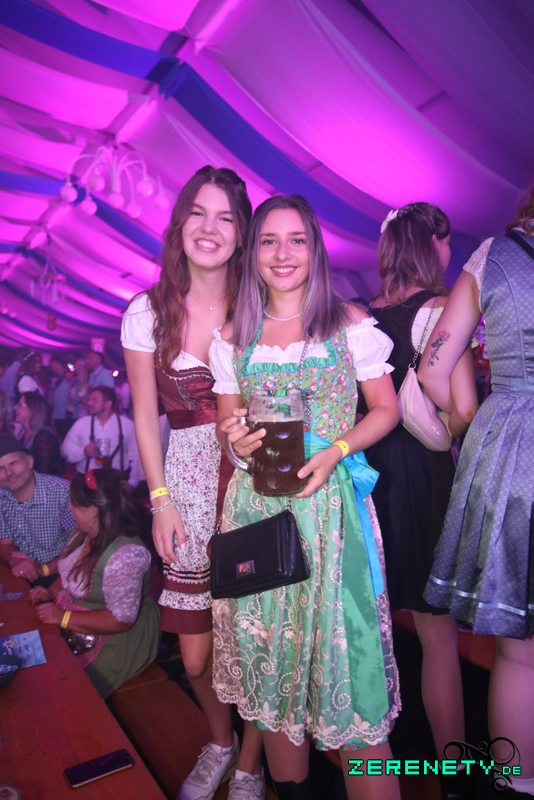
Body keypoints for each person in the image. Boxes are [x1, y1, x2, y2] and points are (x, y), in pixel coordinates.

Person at [211, 194, 401, 800]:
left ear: (314, 248)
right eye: (269, 240)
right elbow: (228, 433)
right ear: (253, 252)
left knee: (352, 676)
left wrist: (338, 450)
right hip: (259, 515)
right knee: (276, 681)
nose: (283, 253)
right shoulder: (233, 338)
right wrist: (238, 441)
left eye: (296, 239)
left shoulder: (349, 325)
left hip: (330, 516)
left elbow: (387, 409)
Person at [122, 165, 265, 800]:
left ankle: (251, 765)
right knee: (198, 655)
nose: (209, 228)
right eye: (198, 213)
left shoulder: (263, 301)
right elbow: (144, 416)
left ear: (242, 233)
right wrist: (160, 501)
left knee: (259, 638)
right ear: (180, 223)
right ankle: (219, 740)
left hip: (257, 482)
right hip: (184, 484)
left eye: (225, 217)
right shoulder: (147, 310)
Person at [419, 187, 534, 798]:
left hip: (514, 450)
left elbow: (433, 369)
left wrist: (474, 426)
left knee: (519, 652)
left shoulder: (492, 254)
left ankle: (518, 785)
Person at [360, 203, 478, 796]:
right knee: (438, 641)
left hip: (369, 475)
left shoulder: (362, 317)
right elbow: (466, 409)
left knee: (372, 627)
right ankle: (452, 775)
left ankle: (382, 759)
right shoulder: (440, 310)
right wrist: (444, 430)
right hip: (423, 478)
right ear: (433, 244)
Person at [31, 468, 160, 698]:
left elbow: (121, 621)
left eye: (75, 505)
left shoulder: (126, 556)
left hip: (115, 639)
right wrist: (50, 592)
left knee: (63, 694)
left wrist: (62, 617)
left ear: (92, 511)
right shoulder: (84, 532)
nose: (69, 508)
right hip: (77, 626)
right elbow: (71, 571)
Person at [0, 433, 74, 585]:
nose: (9, 473)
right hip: (21, 575)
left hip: (63, 577)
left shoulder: (62, 493)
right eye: (1, 468)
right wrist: (15, 561)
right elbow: (4, 543)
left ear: (30, 461)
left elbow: (82, 546)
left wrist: (43, 570)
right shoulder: (1, 497)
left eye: (14, 463)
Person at [61, 386, 139, 491]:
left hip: (117, 483)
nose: (89, 403)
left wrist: (132, 483)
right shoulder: (80, 424)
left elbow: (136, 456)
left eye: (94, 400)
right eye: (90, 400)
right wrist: (84, 452)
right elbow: (65, 452)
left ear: (108, 403)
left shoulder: (127, 425)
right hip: (86, 483)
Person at [15, 392, 62, 476]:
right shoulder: (22, 433)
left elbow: (44, 474)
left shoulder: (44, 436)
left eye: (20, 405)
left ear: (32, 409)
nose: (15, 407)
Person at [49, 356, 72, 439]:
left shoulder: (69, 378)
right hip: (55, 414)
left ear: (58, 365)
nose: (51, 368)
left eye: (53, 365)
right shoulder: (55, 380)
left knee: (65, 438)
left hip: (64, 415)